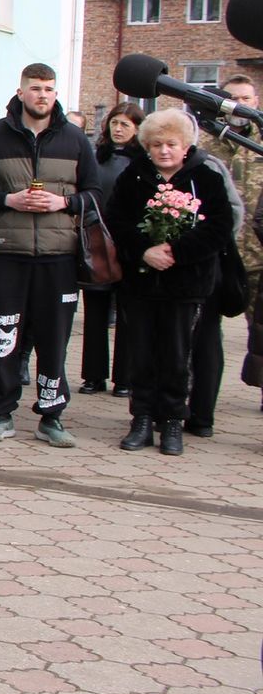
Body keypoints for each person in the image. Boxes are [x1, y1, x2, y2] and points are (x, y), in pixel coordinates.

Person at [0, 63, 99, 447]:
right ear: (21, 92)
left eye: (49, 89)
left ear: (56, 94)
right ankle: (2, 412)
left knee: (55, 339)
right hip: (8, 252)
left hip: (59, 255)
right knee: (4, 335)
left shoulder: (74, 138)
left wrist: (64, 201)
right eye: (36, 88)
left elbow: (95, 193)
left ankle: (51, 416)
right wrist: (9, 199)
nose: (43, 95)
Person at [107, 109, 233, 455]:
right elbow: (116, 219)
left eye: (171, 144)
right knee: (142, 352)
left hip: (186, 282)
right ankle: (142, 418)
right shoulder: (134, 176)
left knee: (177, 354)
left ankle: (173, 420)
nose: (164, 151)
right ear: (147, 146)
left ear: (185, 145)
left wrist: (176, 251)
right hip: (142, 282)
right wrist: (144, 250)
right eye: (157, 144)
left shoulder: (204, 177)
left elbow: (219, 226)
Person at [190, 75, 258, 435]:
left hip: (258, 253)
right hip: (220, 255)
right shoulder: (208, 146)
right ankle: (200, 409)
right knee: (205, 332)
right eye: (233, 98)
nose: (240, 105)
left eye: (246, 98)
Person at [79, 103, 144, 398]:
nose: (118, 129)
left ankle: (125, 378)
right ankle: (93, 376)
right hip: (97, 241)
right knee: (95, 312)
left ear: (137, 130)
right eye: (115, 123)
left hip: (129, 243)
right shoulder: (97, 157)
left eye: (125, 125)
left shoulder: (142, 162)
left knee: (128, 315)